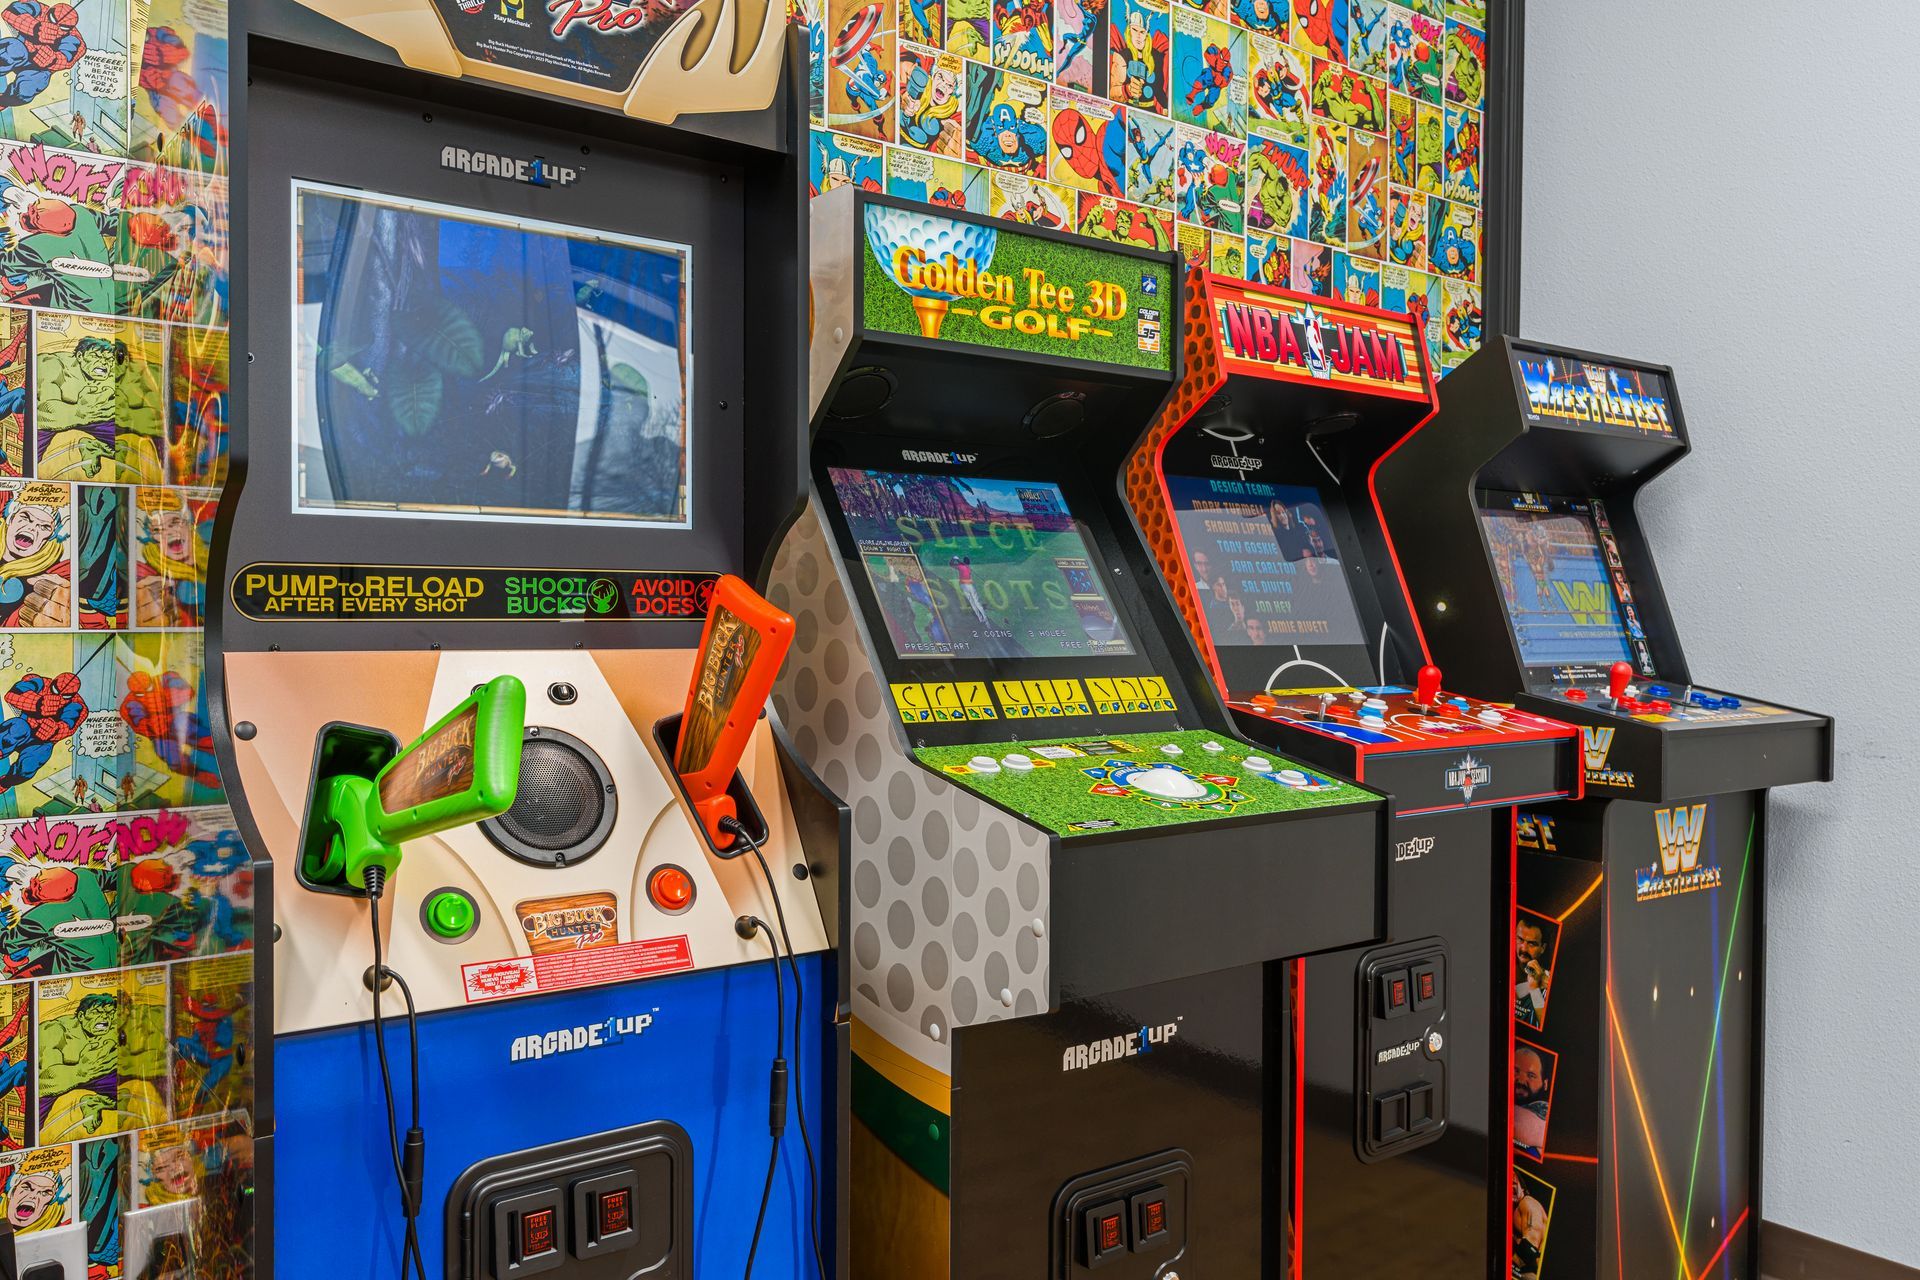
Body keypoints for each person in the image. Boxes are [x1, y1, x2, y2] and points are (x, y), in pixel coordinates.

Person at [1514, 1045, 1551, 1156]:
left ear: (1545, 1084)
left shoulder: (1544, 1121)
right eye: (1515, 1071)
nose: (1521, 1080)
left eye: (1531, 1075)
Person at [1515, 915, 1551, 1028]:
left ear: (1543, 948)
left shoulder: (1548, 981)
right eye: (1520, 939)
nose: (1523, 948)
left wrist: (1534, 988)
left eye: (1532, 943)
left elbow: (1546, 1028)